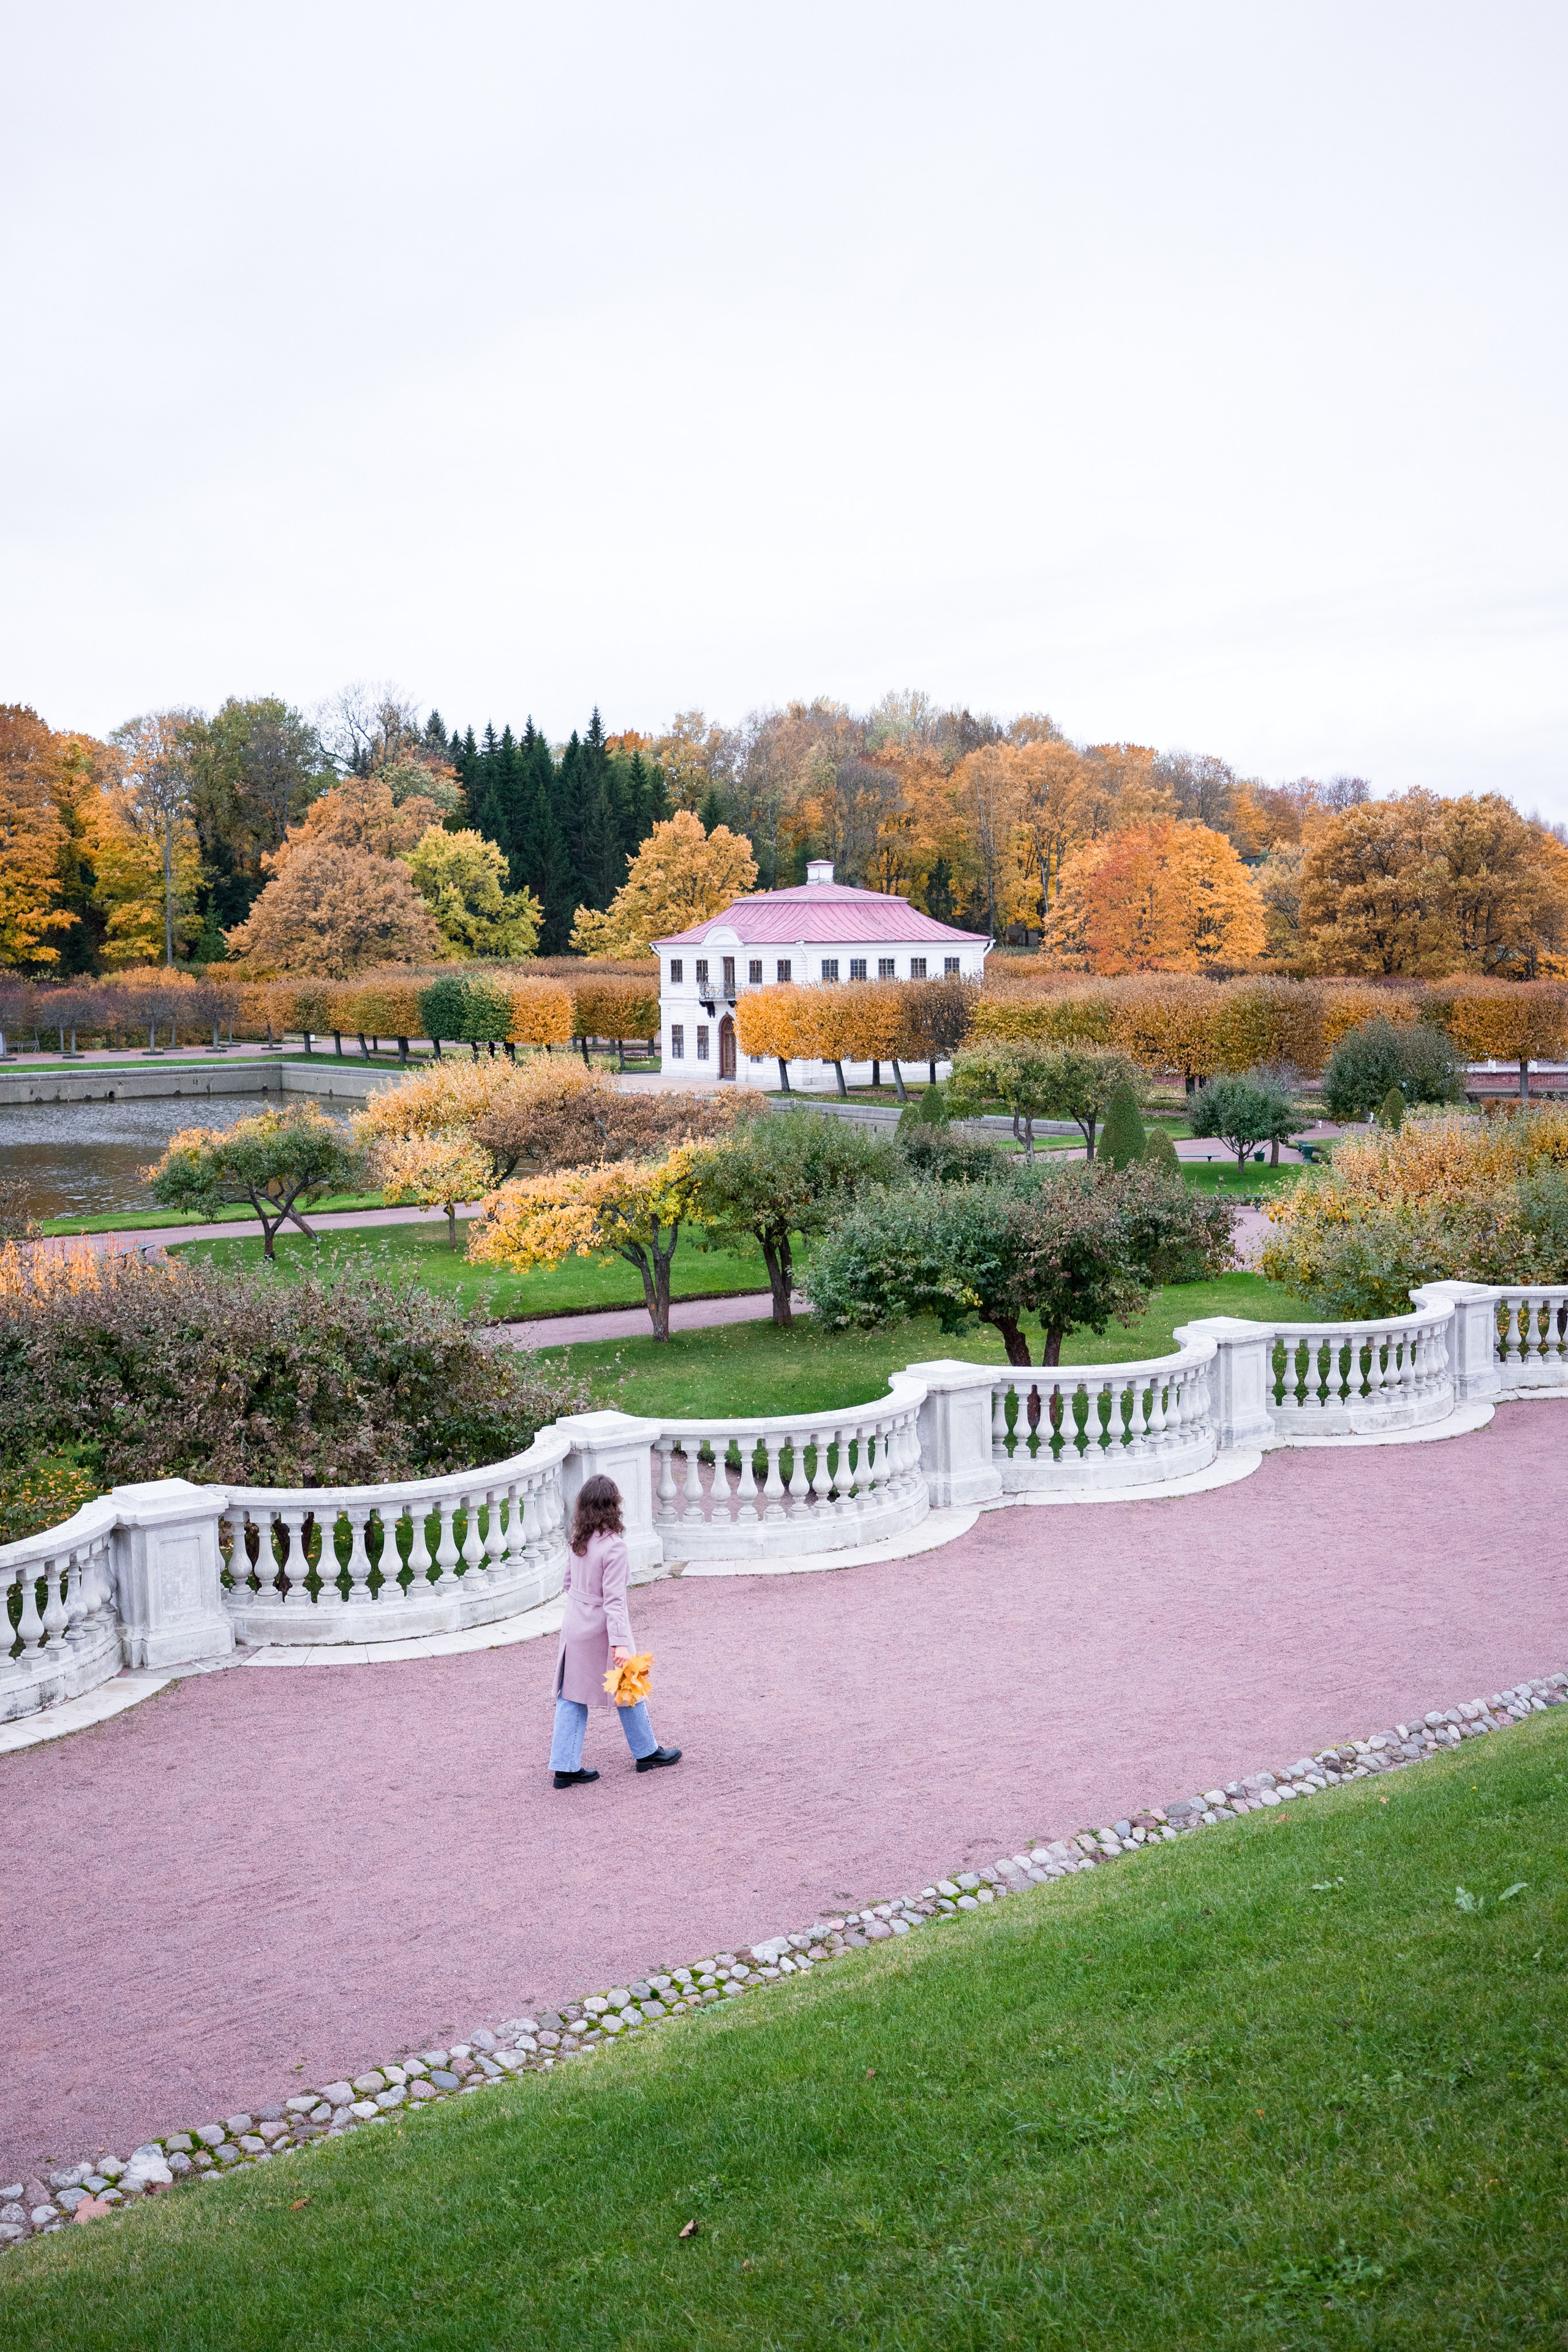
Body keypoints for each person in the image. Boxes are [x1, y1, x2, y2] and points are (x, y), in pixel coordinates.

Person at [551, 1473, 680, 1789]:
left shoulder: (578, 1538)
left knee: (571, 1695)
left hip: (575, 1622)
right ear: (613, 1506)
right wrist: (620, 1642)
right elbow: (615, 1601)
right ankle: (647, 1751)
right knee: (628, 1684)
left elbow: (568, 1583)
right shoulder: (615, 1547)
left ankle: (565, 1766)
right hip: (602, 1627)